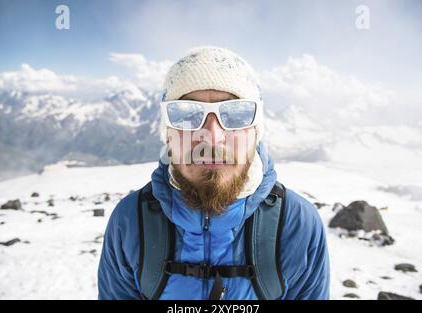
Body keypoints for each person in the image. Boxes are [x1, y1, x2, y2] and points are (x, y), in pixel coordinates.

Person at [98, 46, 330, 300]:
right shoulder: (130, 222)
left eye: (236, 114)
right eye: (186, 114)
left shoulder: (296, 226)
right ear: (167, 134)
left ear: (255, 132)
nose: (211, 137)